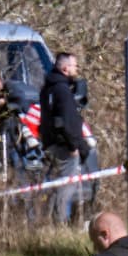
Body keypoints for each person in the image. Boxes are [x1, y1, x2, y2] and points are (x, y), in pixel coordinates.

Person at [40, 52, 90, 223]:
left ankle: (50, 221)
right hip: (64, 146)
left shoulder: (47, 88)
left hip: (51, 143)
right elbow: (67, 121)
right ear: (65, 68)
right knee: (67, 185)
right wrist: (73, 146)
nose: (77, 69)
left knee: (55, 185)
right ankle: (60, 222)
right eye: (75, 65)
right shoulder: (62, 90)